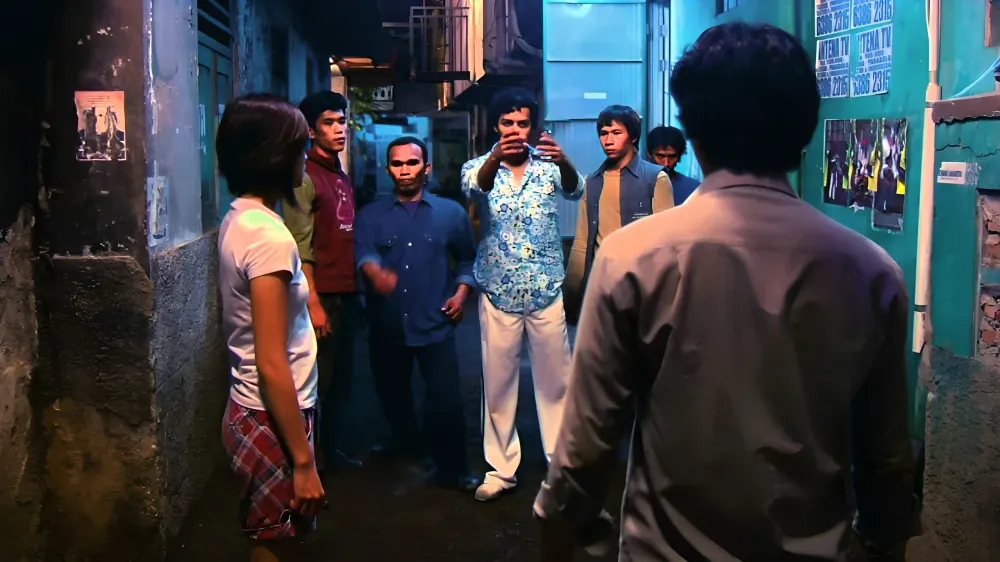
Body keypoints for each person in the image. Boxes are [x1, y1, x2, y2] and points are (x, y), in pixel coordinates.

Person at [534, 22, 914, 562]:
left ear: (692, 134)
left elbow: (585, 447)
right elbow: (886, 459)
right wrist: (880, 535)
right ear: (806, 130)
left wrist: (567, 534)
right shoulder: (872, 272)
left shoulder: (633, 258)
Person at [460, 87, 584, 502]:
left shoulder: (548, 167)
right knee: (498, 383)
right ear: (496, 125)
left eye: (523, 123)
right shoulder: (479, 166)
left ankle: (560, 464)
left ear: (533, 125)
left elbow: (576, 190)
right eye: (508, 122)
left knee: (557, 383)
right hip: (498, 289)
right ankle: (501, 469)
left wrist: (564, 160)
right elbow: (475, 188)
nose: (516, 130)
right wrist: (495, 158)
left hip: (546, 286)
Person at [216, 94, 325, 561]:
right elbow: (271, 360)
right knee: (274, 543)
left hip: (262, 409)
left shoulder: (243, 216)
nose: (308, 154)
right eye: (301, 146)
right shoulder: (268, 236)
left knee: (278, 537)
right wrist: (302, 461)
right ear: (275, 156)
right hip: (272, 414)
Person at [354, 136, 481, 491]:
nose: (405, 170)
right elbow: (363, 252)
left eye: (412, 163)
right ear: (388, 169)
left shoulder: (450, 213)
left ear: (426, 168)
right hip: (388, 326)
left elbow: (467, 260)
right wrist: (374, 271)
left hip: (435, 322)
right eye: (397, 164)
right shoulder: (370, 216)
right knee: (393, 397)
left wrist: (461, 293)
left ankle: (454, 468)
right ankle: (407, 446)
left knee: (446, 402)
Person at [284, 91, 362, 470]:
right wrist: (313, 304)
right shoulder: (305, 177)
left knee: (341, 383)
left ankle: (329, 455)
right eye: (329, 123)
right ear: (312, 131)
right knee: (318, 383)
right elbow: (301, 246)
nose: (339, 129)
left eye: (342, 121)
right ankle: (308, 464)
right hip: (322, 296)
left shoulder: (338, 173)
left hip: (345, 293)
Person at [564, 104, 674, 322]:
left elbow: (667, 244)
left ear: (633, 137)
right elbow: (582, 243)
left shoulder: (655, 179)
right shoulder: (592, 182)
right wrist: (569, 298)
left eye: (616, 132)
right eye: (603, 133)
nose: (608, 140)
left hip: (641, 289)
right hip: (601, 288)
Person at [647, 125, 701, 204]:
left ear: (679, 156)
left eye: (672, 156)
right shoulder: (635, 186)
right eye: (660, 156)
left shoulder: (694, 190)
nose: (666, 163)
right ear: (649, 154)